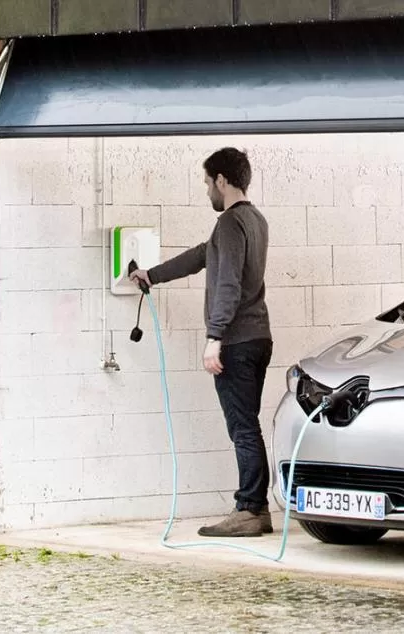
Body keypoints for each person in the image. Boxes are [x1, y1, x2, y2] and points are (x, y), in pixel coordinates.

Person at [130, 147, 274, 538]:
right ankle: (257, 509)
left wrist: (215, 337)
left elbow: (226, 280)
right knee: (248, 425)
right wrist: (152, 275)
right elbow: (201, 256)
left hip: (237, 341)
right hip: (258, 337)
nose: (207, 190)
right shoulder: (254, 220)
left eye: (208, 182)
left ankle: (248, 508)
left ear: (222, 181)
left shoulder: (230, 223)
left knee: (243, 428)